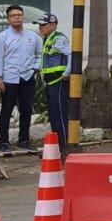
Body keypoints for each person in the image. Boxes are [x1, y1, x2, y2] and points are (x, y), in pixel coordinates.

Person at [0, 3, 43, 155]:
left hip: (27, 77)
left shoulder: (33, 36)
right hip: (9, 78)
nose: (17, 18)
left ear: (23, 17)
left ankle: (24, 140)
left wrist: (35, 68)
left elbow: (39, 54)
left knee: (26, 110)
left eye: (19, 15)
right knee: (7, 110)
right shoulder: (2, 37)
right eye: (13, 16)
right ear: (8, 19)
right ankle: (4, 141)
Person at [36, 13, 70, 153]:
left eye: (44, 25)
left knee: (60, 115)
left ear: (53, 25)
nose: (40, 28)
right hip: (51, 82)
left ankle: (65, 146)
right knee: (54, 114)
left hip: (59, 81)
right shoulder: (47, 39)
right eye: (40, 25)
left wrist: (67, 73)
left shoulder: (58, 38)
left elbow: (72, 54)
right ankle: (58, 145)